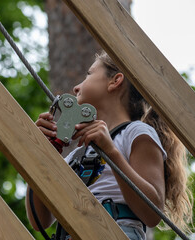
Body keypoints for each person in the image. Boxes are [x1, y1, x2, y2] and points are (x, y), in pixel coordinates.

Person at [25, 51, 193, 239]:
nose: (76, 88)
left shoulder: (135, 132)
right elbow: (40, 219)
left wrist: (110, 152)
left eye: (88, 74)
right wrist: (41, 154)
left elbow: (152, 213)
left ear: (115, 81)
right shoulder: (76, 156)